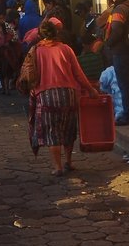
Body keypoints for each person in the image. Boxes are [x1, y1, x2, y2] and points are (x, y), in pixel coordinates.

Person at [28, 20, 99, 176]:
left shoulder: (35, 51)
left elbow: (30, 74)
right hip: (68, 94)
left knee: (53, 132)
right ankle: (68, 162)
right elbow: (78, 74)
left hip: (47, 95)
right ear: (56, 33)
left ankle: (58, 166)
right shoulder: (66, 49)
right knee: (68, 129)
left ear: (40, 34)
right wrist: (91, 90)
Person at [103, 0, 129, 126]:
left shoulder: (119, 9)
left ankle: (127, 115)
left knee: (125, 84)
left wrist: (109, 43)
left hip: (121, 51)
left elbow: (117, 30)